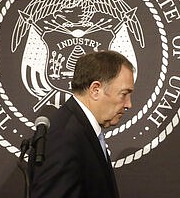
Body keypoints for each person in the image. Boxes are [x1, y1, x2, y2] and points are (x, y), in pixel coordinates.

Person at [30, 50, 135, 198]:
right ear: (95, 90)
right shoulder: (63, 137)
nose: (129, 104)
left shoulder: (79, 130)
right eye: (124, 94)